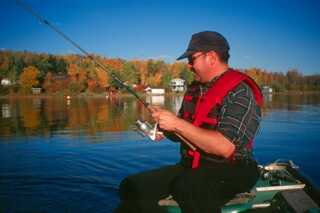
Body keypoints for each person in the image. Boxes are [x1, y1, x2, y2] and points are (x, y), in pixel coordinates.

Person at [116, 31, 263, 213]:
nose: (189, 65)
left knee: (189, 188)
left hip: (233, 169)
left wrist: (176, 124)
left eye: (192, 59)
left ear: (211, 57)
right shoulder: (194, 89)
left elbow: (224, 147)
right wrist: (165, 128)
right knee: (131, 187)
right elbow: (183, 133)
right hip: (191, 166)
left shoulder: (240, 92)